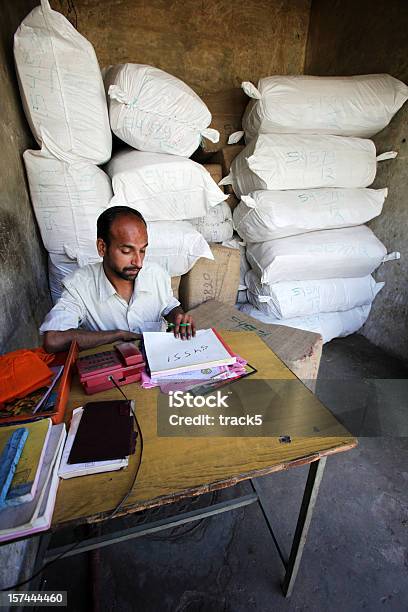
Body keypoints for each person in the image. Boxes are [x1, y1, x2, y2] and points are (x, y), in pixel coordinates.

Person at [41, 206, 196, 353]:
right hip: (112, 374)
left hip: (158, 361)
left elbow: (169, 307)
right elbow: (53, 339)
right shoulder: (79, 286)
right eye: (126, 251)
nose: (138, 262)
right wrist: (116, 336)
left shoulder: (156, 274)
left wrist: (177, 318)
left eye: (142, 250)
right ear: (102, 247)